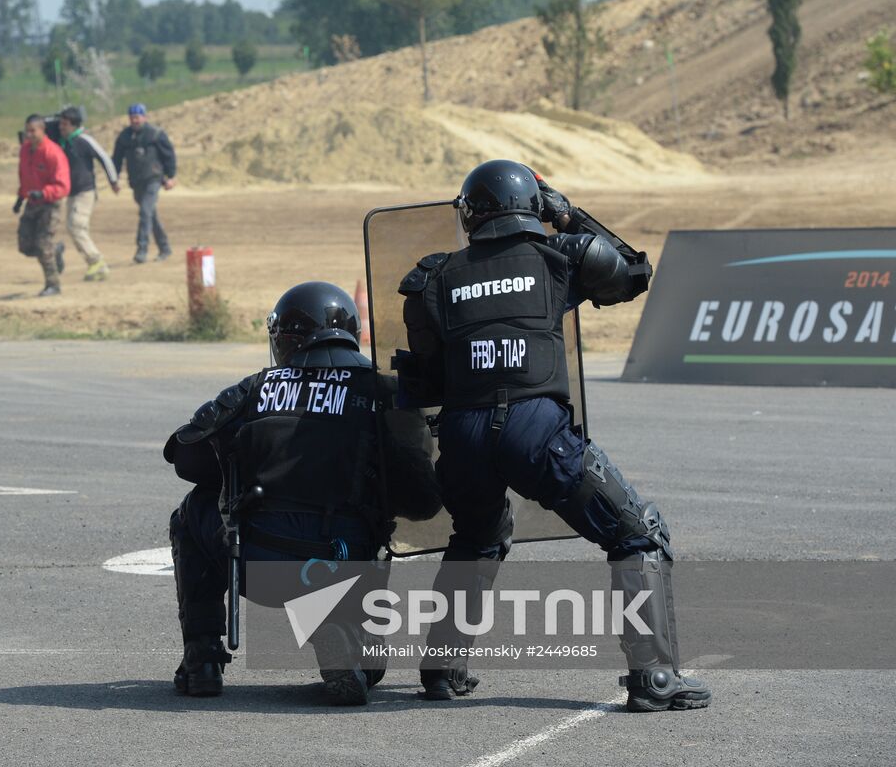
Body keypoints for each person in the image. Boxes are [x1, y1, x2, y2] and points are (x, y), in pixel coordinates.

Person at [395, 159, 711, 712]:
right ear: (533, 208)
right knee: (637, 533)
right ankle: (655, 679)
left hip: (463, 433)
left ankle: (442, 668)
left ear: (471, 214)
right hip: (535, 427)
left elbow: (427, 370)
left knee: (474, 539)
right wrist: (569, 218)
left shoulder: (434, 277)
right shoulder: (558, 256)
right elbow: (633, 275)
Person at [164, 282, 440, 705]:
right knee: (370, 668)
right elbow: (423, 502)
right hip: (343, 561)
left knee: (192, 511)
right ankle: (340, 632)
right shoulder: (383, 392)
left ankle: (202, 659)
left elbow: (186, 458)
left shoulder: (257, 388)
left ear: (283, 338)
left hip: (258, 564)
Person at [53, 105, 118, 282]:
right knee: (75, 228)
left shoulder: (84, 140)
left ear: (74, 125)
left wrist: (113, 181)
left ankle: (97, 261)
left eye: (64, 124)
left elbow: (104, 158)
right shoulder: (62, 142)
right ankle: (94, 265)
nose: (61, 127)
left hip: (85, 191)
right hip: (71, 192)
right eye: (60, 124)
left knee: (76, 226)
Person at [112, 103, 176, 264]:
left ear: (144, 117)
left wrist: (171, 176)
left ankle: (142, 249)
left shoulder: (155, 134)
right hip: (136, 182)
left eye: (138, 117)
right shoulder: (124, 137)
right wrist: (114, 179)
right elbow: (117, 159)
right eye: (132, 117)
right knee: (150, 215)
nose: (135, 120)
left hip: (154, 179)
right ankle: (165, 248)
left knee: (145, 213)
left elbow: (169, 155)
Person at [15, 114, 69, 297]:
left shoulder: (53, 152)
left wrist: (45, 192)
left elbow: (63, 186)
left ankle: (53, 285)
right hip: (32, 202)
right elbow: (25, 175)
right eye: (27, 131)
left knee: (43, 244)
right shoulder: (25, 150)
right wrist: (20, 197)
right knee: (25, 245)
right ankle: (56, 251)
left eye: (33, 131)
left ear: (42, 130)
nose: (29, 135)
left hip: (50, 204)